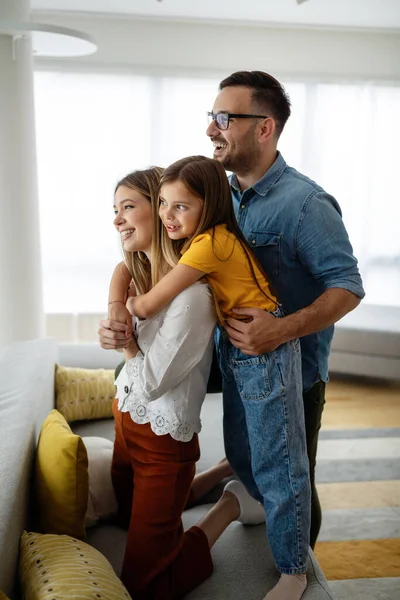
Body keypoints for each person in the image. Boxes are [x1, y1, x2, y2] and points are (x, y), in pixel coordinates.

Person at [110, 156, 311, 600]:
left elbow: (150, 327)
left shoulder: (202, 260)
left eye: (179, 206)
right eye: (164, 203)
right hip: (218, 362)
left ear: (208, 206)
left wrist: (126, 319)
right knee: (242, 447)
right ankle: (227, 476)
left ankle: (287, 563)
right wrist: (116, 303)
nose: (168, 215)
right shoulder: (178, 255)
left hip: (253, 360)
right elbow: (127, 264)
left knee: (278, 467)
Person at [206, 70, 366, 555]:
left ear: (264, 127)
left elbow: (348, 286)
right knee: (251, 462)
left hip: (295, 377)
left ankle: (303, 574)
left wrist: (281, 331)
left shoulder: (306, 204)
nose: (212, 129)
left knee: (294, 485)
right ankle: (239, 493)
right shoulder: (219, 194)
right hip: (236, 365)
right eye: (211, 117)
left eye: (223, 118)